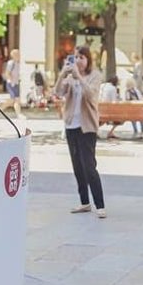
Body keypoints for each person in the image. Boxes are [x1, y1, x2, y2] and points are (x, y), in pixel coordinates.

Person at [56, 46, 106, 218]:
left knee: (89, 166)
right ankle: (84, 202)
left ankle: (100, 205)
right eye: (76, 57)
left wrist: (79, 78)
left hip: (87, 126)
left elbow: (91, 95)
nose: (78, 60)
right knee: (77, 166)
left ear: (88, 59)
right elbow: (58, 92)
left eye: (82, 57)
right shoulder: (70, 77)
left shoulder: (95, 76)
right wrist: (62, 75)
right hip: (71, 125)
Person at [3, 49, 23, 119]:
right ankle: (19, 114)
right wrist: (12, 82)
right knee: (14, 99)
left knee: (16, 99)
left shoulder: (19, 63)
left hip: (16, 83)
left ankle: (0, 109)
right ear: (14, 55)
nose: (19, 55)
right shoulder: (11, 63)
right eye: (17, 54)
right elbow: (7, 73)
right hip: (11, 84)